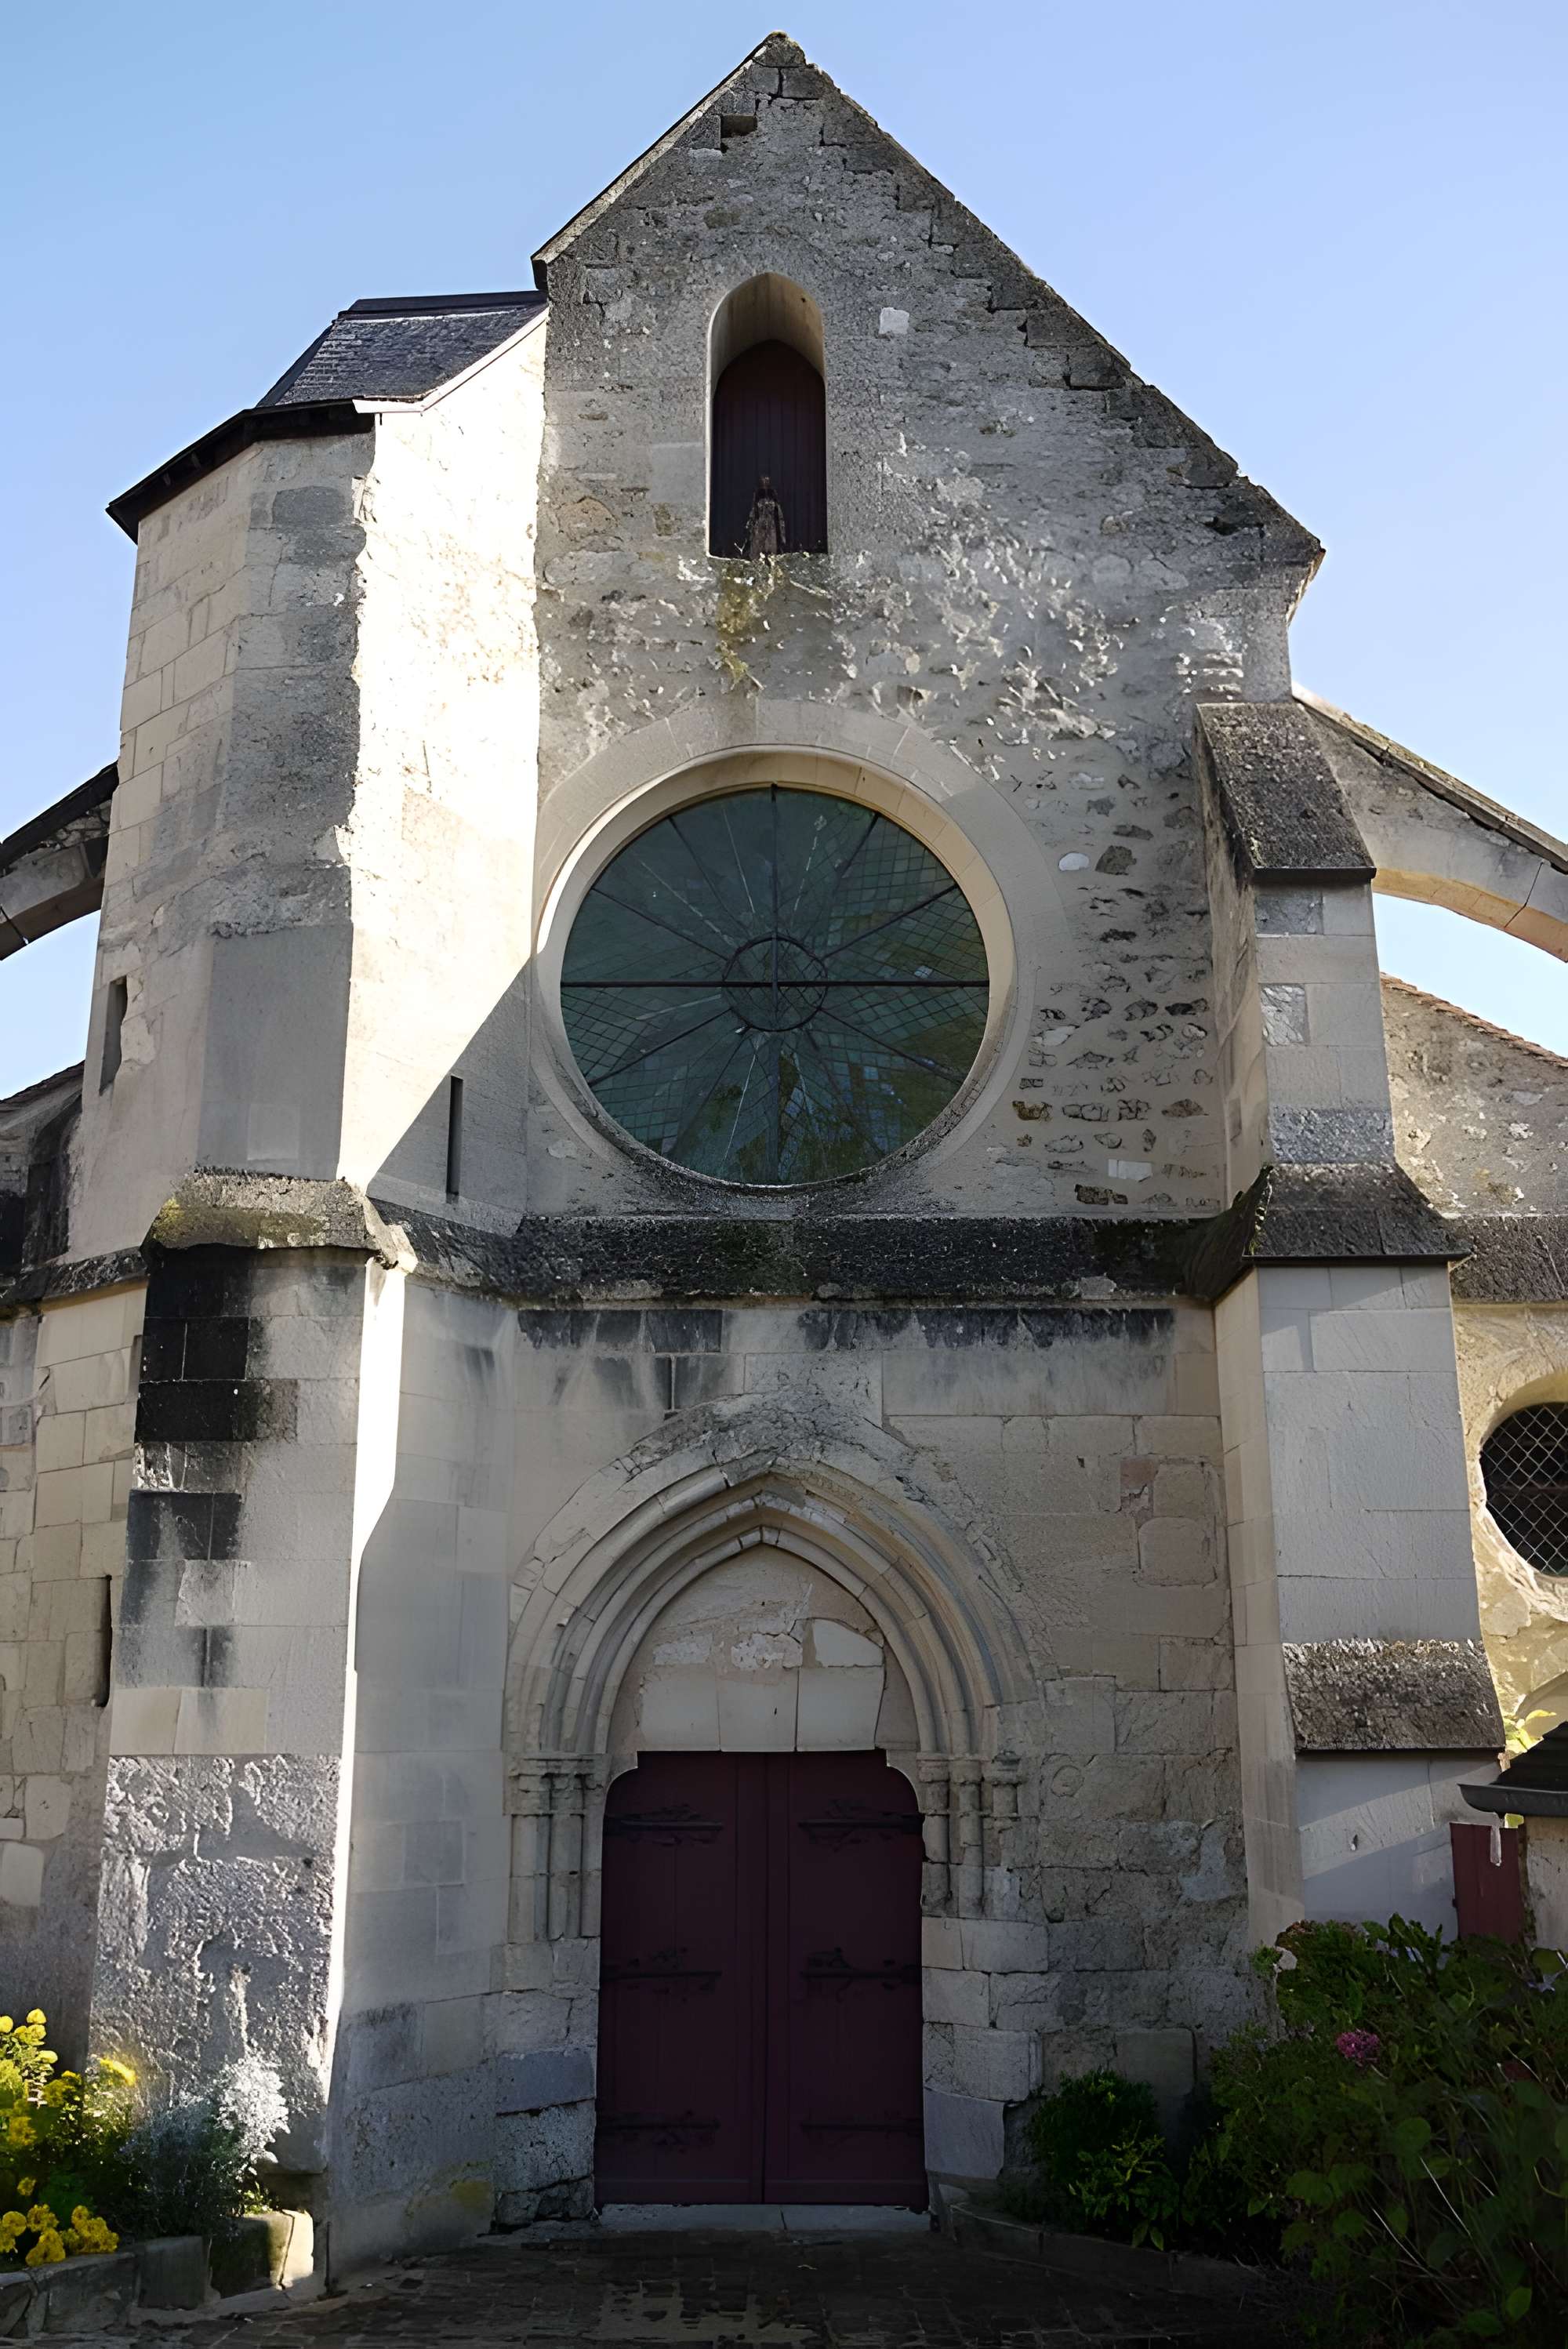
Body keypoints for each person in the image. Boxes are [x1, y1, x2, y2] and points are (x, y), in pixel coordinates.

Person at [742, 474, 787, 557]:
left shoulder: (772, 492)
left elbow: (778, 509)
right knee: (759, 545)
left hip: (771, 524)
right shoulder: (758, 493)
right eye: (763, 479)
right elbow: (754, 508)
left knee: (771, 546)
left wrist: (780, 528)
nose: (765, 480)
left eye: (767, 479)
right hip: (760, 523)